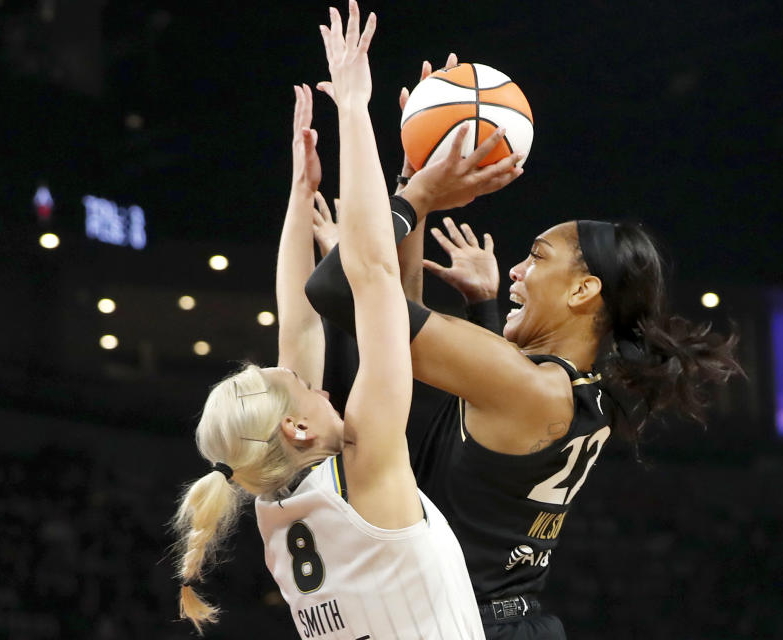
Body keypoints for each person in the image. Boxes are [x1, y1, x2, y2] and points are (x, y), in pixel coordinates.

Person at [305, 80, 742, 640]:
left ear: (584, 291)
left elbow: (340, 289)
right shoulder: (584, 384)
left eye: (536, 257)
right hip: (499, 620)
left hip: (468, 624)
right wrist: (414, 178)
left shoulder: (523, 385)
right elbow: (395, 320)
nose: (514, 269)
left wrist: (418, 198)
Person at [172, 3, 485, 637]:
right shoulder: (364, 463)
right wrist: (353, 105)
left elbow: (300, 325)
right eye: (303, 389)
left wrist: (298, 191)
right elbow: (370, 273)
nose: (316, 385)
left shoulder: (271, 501)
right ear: (295, 426)